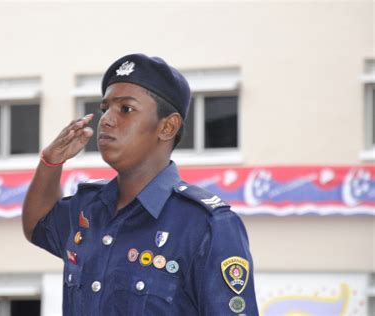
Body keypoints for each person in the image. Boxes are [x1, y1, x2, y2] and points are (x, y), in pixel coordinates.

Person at [22, 53, 258, 315]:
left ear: (167, 127)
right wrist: (50, 163)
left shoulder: (207, 225)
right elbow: (36, 225)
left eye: (126, 109)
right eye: (105, 109)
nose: (107, 120)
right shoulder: (88, 208)